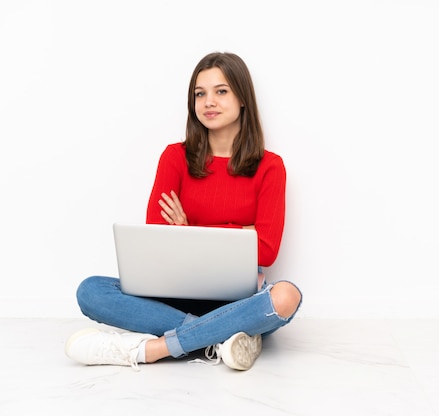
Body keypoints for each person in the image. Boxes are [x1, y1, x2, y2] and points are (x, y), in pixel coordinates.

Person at [64, 52, 302, 372]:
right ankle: (222, 336)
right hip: (172, 295)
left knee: (286, 295)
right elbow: (157, 238)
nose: (208, 102)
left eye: (221, 91)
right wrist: (241, 229)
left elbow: (268, 249)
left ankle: (153, 349)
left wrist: (190, 229)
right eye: (199, 94)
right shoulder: (175, 157)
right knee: (90, 290)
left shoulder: (270, 167)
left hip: (237, 300)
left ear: (242, 98)